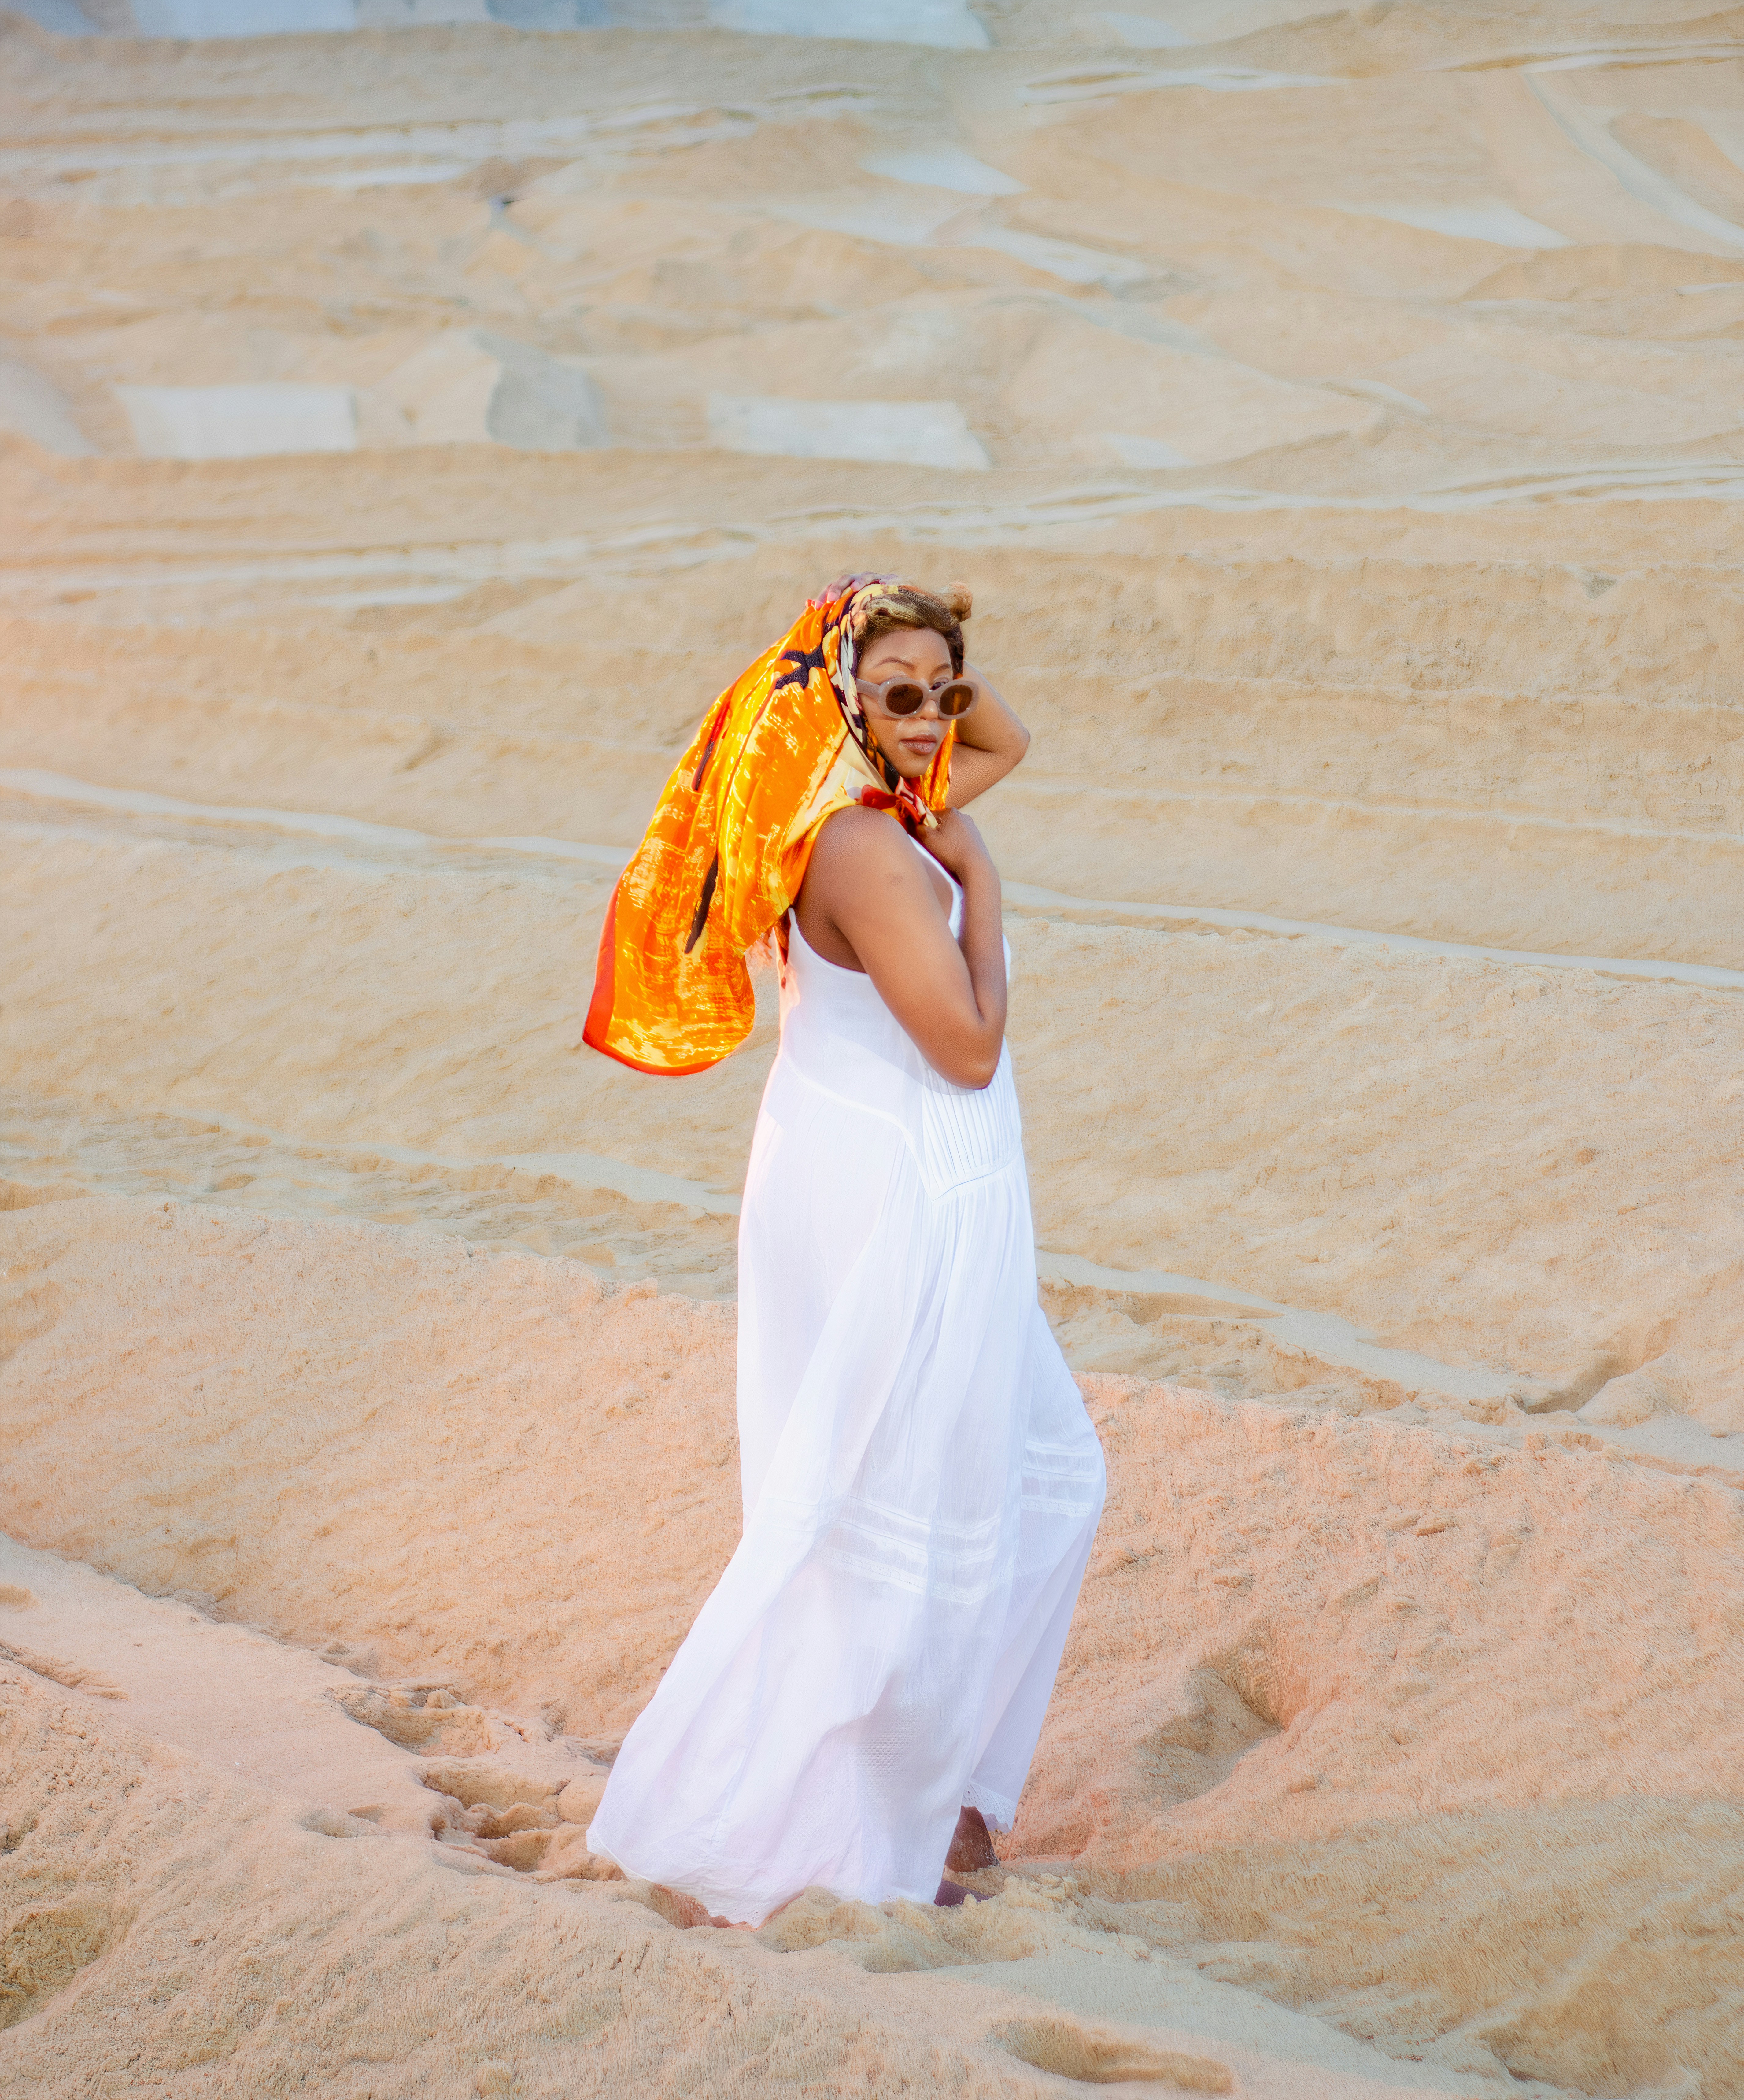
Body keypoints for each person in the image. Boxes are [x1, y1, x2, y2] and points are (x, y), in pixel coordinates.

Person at [583, 575, 1106, 1924]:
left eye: (947, 689)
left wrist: (899, 639)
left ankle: (944, 1803)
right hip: (905, 1189)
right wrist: (981, 885)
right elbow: (969, 1048)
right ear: (836, 702)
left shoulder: (873, 804)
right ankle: (877, 1846)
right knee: (906, 1516)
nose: (937, 721)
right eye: (901, 695)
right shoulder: (872, 849)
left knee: (1020, 1484)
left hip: (894, 1169)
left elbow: (1009, 741)